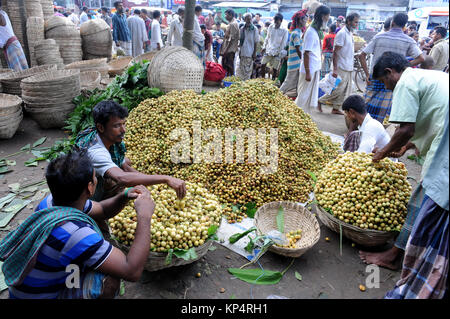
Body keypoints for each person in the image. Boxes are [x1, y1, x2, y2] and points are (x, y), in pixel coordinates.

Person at [0, 149, 156, 299]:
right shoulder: (76, 233)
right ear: (89, 187)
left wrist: (124, 195)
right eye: (95, 178)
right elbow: (131, 271)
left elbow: (101, 209)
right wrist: (144, 216)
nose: (97, 180)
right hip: (42, 295)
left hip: (26, 289)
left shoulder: (51, 202)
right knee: (110, 278)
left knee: (96, 259)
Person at [359, 52, 448, 271]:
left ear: (390, 72)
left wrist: (382, 153)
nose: (386, 87)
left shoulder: (405, 84)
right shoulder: (428, 76)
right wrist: (405, 146)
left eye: (383, 81)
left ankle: (393, 256)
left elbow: (406, 129)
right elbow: (429, 116)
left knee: (423, 198)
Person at [384, 106, 448, 299]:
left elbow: (407, 129)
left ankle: (414, 290)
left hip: (443, 186)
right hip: (441, 178)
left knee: (431, 248)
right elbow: (436, 131)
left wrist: (383, 153)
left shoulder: (409, 81)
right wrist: (409, 146)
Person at [75, 100, 186, 204]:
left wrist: (152, 185)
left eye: (124, 124)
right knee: (116, 182)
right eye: (117, 126)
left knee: (126, 162)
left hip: (98, 181)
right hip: (82, 196)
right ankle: (97, 211)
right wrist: (166, 178)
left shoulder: (112, 142)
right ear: (101, 127)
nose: (123, 130)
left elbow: (126, 168)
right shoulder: (96, 152)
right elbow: (122, 178)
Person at [358, 12, 425, 124]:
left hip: (376, 77)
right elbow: (421, 58)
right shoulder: (408, 40)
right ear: (404, 25)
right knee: (384, 108)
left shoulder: (379, 36)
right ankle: (377, 129)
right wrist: (403, 67)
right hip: (395, 80)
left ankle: (361, 126)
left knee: (366, 103)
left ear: (392, 23)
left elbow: (362, 55)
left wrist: (367, 74)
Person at [318, 12, 360, 115]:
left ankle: (336, 108)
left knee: (345, 90)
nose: (356, 24)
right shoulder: (342, 33)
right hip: (341, 66)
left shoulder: (349, 33)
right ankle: (320, 101)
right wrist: (335, 69)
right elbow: (335, 52)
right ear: (349, 21)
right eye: (355, 22)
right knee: (338, 89)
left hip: (348, 66)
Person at [295, 5, 331, 114]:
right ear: (322, 16)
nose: (328, 18)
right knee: (303, 96)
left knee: (308, 96)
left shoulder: (316, 31)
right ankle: (296, 115)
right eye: (327, 16)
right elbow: (306, 53)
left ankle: (303, 116)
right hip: (309, 69)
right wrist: (307, 72)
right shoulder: (311, 32)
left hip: (313, 68)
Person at [279, 10, 307, 96]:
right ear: (299, 20)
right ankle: (276, 96)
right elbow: (298, 49)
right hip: (294, 63)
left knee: (296, 84)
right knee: (288, 83)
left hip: (296, 63)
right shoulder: (296, 33)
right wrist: (303, 60)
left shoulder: (299, 32)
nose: (305, 21)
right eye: (304, 19)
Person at [0, 2, 28, 71]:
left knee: (18, 71)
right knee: (21, 70)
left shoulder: (0, 15)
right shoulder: (3, 13)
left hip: (11, 46)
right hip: (13, 44)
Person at [260, 13, 289, 80]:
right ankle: (262, 79)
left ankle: (272, 81)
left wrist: (278, 53)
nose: (275, 22)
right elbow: (267, 38)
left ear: (281, 21)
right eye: (275, 20)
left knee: (275, 69)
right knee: (262, 64)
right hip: (269, 50)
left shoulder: (284, 30)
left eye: (277, 21)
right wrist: (264, 47)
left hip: (277, 52)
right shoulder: (271, 27)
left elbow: (283, 43)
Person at [237, 13, 259, 81]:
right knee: (242, 69)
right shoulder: (242, 29)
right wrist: (240, 52)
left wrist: (254, 53)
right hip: (243, 52)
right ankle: (242, 84)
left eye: (250, 19)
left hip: (250, 52)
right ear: (245, 20)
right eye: (247, 19)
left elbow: (256, 41)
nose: (249, 20)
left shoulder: (254, 29)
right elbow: (241, 42)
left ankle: (246, 83)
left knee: (248, 70)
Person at [220, 9, 239, 76]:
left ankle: (231, 79)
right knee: (227, 64)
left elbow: (231, 39)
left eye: (226, 15)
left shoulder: (233, 24)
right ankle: (228, 78)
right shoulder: (231, 23)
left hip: (230, 49)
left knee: (229, 65)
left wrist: (225, 50)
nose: (225, 16)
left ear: (231, 15)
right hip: (229, 48)